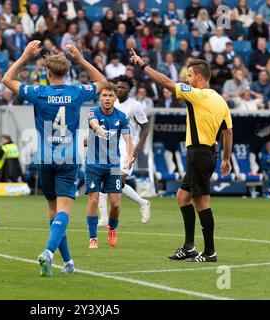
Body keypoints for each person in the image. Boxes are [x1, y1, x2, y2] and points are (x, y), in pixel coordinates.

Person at [2, 40, 107, 276]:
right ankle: (48, 253)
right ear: (67, 71)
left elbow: (7, 80)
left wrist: (24, 56)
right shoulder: (76, 92)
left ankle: (67, 262)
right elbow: (101, 81)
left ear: (47, 73)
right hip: (68, 159)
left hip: (45, 159)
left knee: (53, 212)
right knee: (64, 212)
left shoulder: (39, 93)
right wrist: (80, 59)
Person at [130, 51, 233, 263]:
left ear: (199, 78)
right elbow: (228, 132)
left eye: (189, 75)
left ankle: (210, 252)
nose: (186, 79)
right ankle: (189, 247)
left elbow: (167, 82)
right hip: (206, 154)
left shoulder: (198, 95)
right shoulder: (220, 101)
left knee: (201, 202)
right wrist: (226, 158)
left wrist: (143, 66)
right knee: (182, 197)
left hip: (199, 153)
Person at [98, 75, 151, 226]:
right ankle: (104, 218)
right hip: (111, 149)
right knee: (110, 183)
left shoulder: (135, 105)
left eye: (123, 87)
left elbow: (145, 127)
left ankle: (142, 204)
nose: (120, 89)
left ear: (129, 89)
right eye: (118, 87)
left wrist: (137, 149)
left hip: (128, 148)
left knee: (115, 183)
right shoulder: (111, 104)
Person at [85, 85, 133, 249]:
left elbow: (128, 139)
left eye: (110, 96)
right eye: (104, 95)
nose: (107, 98)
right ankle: (93, 238)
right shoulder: (93, 112)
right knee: (93, 200)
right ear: (100, 98)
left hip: (113, 165)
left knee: (116, 204)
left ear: (115, 98)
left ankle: (111, 228)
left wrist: (129, 157)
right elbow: (93, 122)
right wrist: (98, 129)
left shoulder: (121, 117)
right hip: (93, 164)